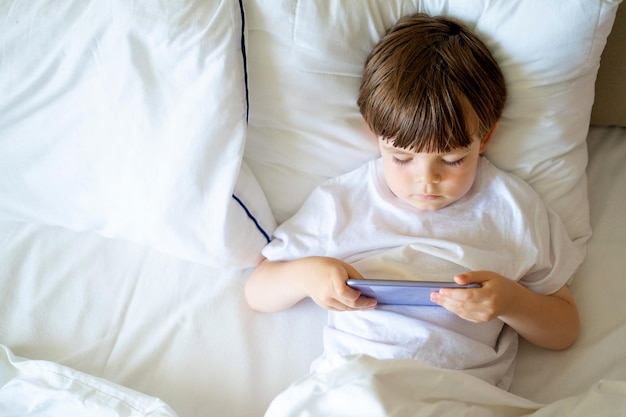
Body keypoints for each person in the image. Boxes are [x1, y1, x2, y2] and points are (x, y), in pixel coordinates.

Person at [245, 13, 583, 389]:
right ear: (376, 137)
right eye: (402, 159)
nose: (427, 179)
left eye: (453, 160)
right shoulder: (342, 203)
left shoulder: (513, 208)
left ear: (484, 139)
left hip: (461, 397)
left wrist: (512, 303)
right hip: (355, 387)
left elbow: (565, 328)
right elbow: (258, 290)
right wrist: (308, 275)